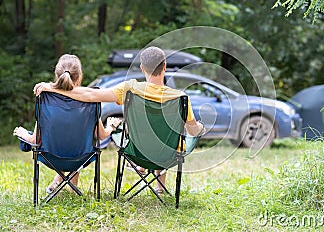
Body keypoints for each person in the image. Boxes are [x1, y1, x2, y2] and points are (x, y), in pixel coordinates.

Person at [33, 47, 205, 194]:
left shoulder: (130, 89)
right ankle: (160, 187)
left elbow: (90, 94)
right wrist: (200, 128)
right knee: (166, 137)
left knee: (148, 136)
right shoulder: (181, 98)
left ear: (143, 68)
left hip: (137, 152)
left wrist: (53, 87)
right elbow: (192, 131)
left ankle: (150, 173)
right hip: (167, 155)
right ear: (165, 67)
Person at [14, 54, 122, 194]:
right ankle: (70, 187)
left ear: (57, 74)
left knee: (65, 141)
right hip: (81, 156)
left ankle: (60, 182)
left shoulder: (45, 98)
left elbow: (35, 140)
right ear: (79, 75)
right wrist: (111, 126)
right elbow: (101, 136)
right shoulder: (90, 99)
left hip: (50, 155)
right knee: (75, 142)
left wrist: (23, 134)